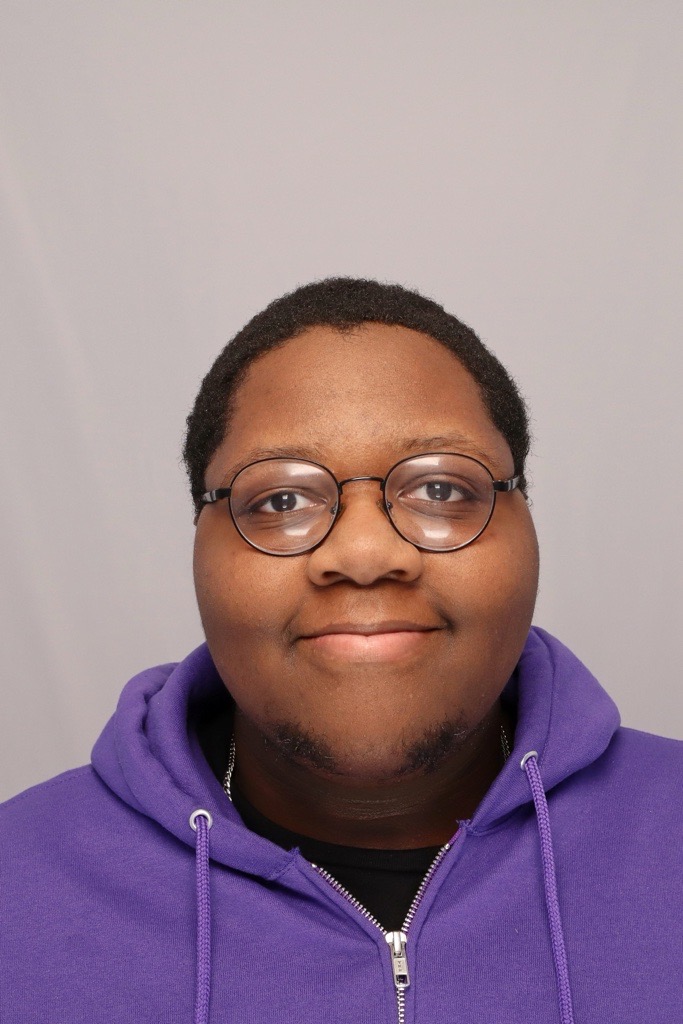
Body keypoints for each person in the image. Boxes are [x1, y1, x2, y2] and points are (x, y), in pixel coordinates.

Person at [1, 278, 681, 1024]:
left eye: (442, 488)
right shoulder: (16, 886)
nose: (363, 554)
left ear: (526, 519)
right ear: (199, 542)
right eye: (281, 500)